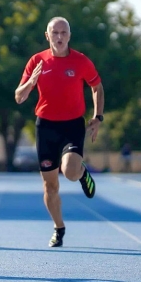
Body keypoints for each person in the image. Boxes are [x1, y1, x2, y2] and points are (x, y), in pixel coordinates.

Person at [15, 17, 104, 248]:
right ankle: (59, 227)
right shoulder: (37, 61)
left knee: (70, 172)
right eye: (55, 32)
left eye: (64, 32)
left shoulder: (81, 61)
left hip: (72, 125)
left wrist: (98, 116)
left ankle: (81, 172)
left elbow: (96, 86)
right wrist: (30, 83)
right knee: (50, 186)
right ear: (48, 36)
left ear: (69, 35)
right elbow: (19, 96)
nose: (59, 37)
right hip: (45, 127)